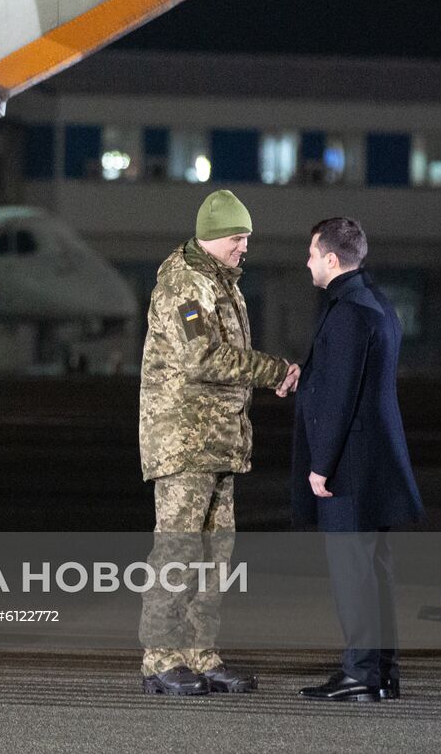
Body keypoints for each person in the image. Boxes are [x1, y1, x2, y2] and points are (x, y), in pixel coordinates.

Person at [138, 190, 296, 696]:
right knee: (179, 551)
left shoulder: (218, 282)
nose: (244, 246)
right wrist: (273, 371)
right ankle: (161, 659)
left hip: (218, 440)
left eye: (246, 236)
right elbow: (203, 356)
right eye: (237, 237)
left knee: (214, 554)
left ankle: (200, 655)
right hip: (185, 444)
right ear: (212, 236)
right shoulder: (186, 284)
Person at [293, 218, 424, 702]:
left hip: (350, 465)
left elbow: (342, 394)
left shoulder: (347, 311)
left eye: (311, 253)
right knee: (374, 570)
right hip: (376, 462)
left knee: (353, 571)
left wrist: (321, 464)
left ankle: (361, 674)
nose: (307, 261)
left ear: (331, 259)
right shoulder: (376, 302)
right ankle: (379, 670)